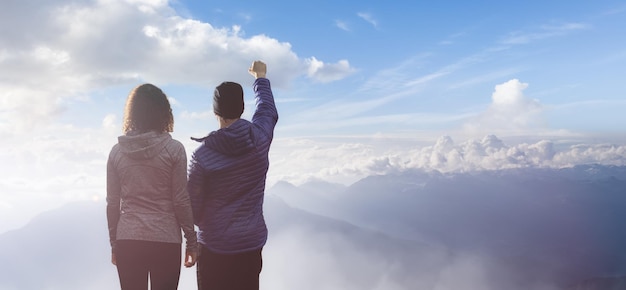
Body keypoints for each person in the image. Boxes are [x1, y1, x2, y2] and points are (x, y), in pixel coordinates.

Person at [187, 60, 278, 290]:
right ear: (242, 107)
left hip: (214, 246)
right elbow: (267, 109)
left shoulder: (203, 156)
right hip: (250, 244)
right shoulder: (260, 139)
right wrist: (260, 77)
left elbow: (193, 210)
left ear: (215, 110)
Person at [106, 83, 198, 290]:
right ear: (163, 112)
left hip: (128, 239)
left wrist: (114, 243)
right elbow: (181, 200)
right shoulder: (174, 150)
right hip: (166, 240)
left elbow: (112, 204)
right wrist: (192, 241)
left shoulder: (116, 153)